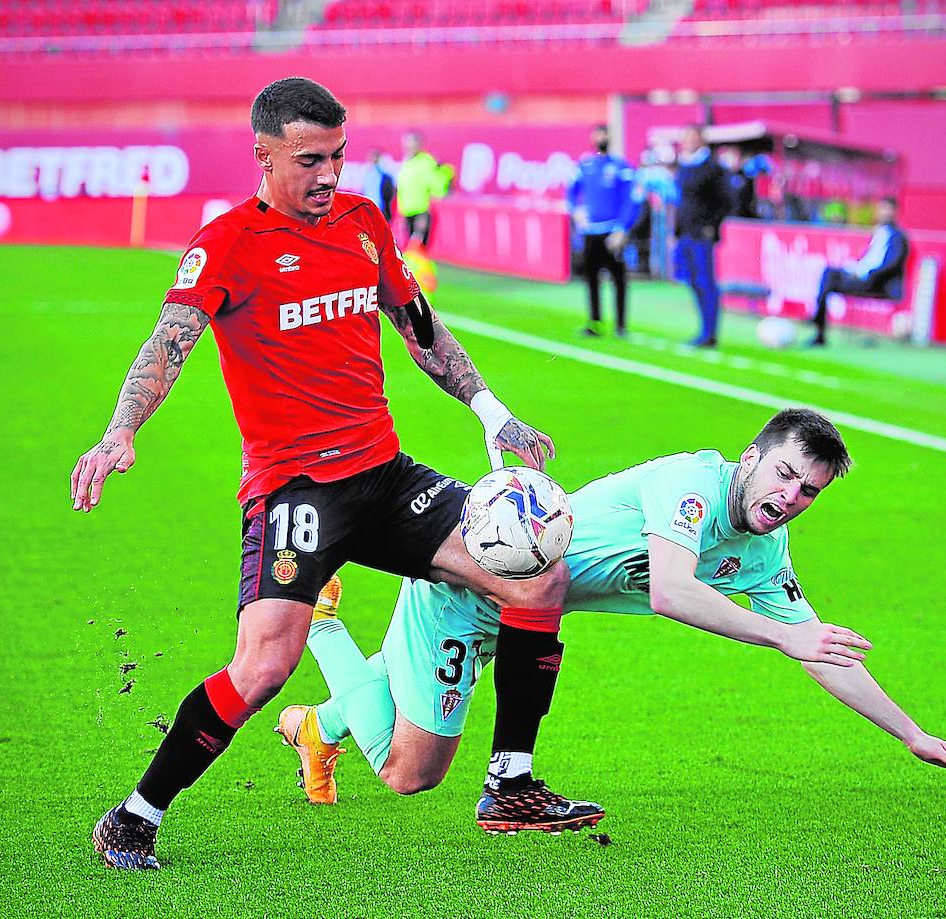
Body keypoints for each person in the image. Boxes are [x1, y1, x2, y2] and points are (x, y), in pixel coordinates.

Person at [72, 77, 591, 870]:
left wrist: (491, 411)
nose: (329, 175)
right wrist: (120, 430)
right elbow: (167, 342)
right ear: (264, 153)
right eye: (310, 159)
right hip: (295, 491)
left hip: (384, 476)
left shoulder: (362, 223)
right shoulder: (226, 244)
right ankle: (138, 812)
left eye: (339, 156)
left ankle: (510, 783)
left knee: (536, 578)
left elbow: (419, 325)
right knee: (264, 666)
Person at [281, 408, 946, 834]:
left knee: (403, 687)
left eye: (808, 490)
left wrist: (912, 733)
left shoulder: (765, 552)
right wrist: (782, 634)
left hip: (524, 616)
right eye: (783, 473)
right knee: (411, 773)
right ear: (751, 458)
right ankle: (321, 623)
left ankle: (315, 726)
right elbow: (672, 592)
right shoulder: (692, 484)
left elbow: (821, 650)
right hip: (469, 588)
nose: (790, 495)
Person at [566, 123, 639, 338]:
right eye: (597, 136)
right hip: (590, 231)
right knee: (591, 277)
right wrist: (575, 211)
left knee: (618, 278)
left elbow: (630, 200)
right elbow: (570, 193)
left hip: (612, 232)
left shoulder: (621, 167)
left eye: (604, 135)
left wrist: (622, 228)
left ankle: (621, 325)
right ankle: (594, 322)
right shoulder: (585, 166)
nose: (601, 140)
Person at [809, 197, 909, 346]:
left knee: (829, 277)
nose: (884, 212)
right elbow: (868, 260)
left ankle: (818, 329)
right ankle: (818, 327)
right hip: (863, 278)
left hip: (877, 283)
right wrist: (854, 269)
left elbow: (891, 265)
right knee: (829, 273)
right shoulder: (879, 233)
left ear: (895, 211)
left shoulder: (898, 237)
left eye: (887, 209)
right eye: (881, 208)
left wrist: (865, 273)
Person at [673, 125, 737, 348]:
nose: (689, 141)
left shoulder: (712, 168)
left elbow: (727, 201)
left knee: (706, 282)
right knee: (692, 281)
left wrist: (712, 225)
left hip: (702, 234)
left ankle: (710, 333)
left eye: (693, 137)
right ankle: (703, 329)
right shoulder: (684, 166)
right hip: (686, 234)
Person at [396, 131, 451, 249]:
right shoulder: (407, 162)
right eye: (406, 143)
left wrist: (446, 174)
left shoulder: (426, 161)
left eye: (411, 143)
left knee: (418, 249)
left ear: (419, 145)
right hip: (407, 212)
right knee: (409, 250)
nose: (408, 146)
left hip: (421, 212)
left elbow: (437, 187)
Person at [360, 146, 395, 223]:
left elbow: (389, 192)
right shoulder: (367, 173)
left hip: (380, 208)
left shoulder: (383, 174)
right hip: (368, 208)